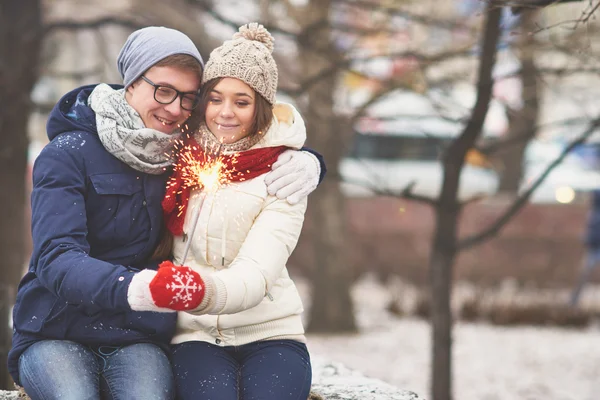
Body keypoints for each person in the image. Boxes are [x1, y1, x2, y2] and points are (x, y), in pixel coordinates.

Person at [9, 26, 325, 400]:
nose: (174, 108)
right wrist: (136, 289)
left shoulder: (182, 154)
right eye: (163, 90)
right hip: (57, 328)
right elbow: (56, 258)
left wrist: (309, 161)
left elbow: (248, 148)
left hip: (137, 334)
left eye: (188, 98)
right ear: (130, 82)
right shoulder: (68, 152)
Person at [126, 23, 313, 400]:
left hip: (271, 333)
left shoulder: (283, 173)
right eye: (215, 98)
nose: (225, 112)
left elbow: (257, 274)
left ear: (261, 107)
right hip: (195, 337)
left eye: (241, 102)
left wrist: (195, 290)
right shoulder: (178, 156)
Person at [570, 189, 600, 306]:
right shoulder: (593, 214)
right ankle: (574, 300)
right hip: (593, 248)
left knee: (584, 274)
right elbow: (590, 232)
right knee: (584, 274)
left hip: (594, 248)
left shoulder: (594, 214)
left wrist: (586, 238)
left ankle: (574, 300)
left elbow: (592, 231)